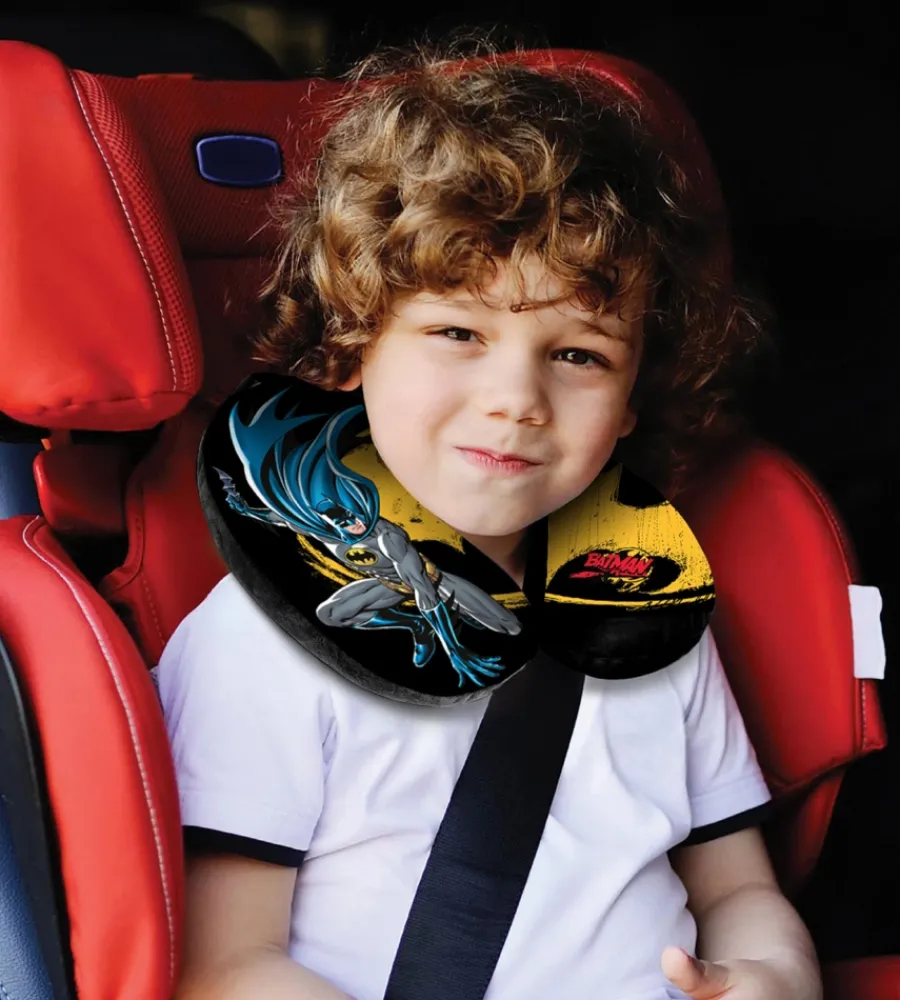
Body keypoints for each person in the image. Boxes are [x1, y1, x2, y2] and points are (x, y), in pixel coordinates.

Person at [157, 43, 822, 1000]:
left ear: (633, 401)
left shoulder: (652, 618)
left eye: (581, 355)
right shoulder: (256, 644)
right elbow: (225, 968)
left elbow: (738, 889)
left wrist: (775, 975)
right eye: (458, 333)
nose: (517, 398)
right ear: (352, 348)